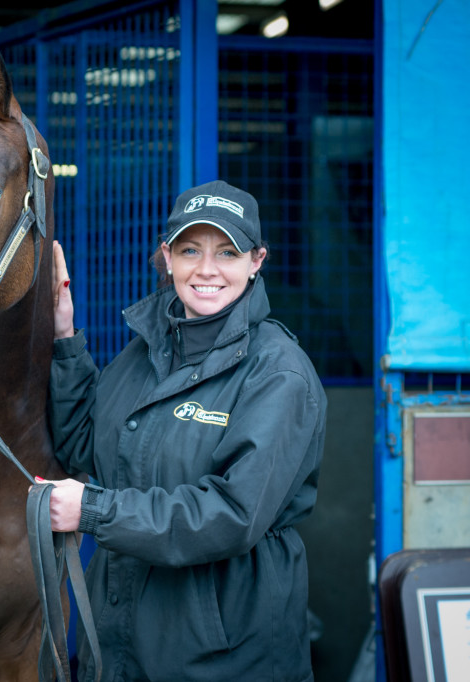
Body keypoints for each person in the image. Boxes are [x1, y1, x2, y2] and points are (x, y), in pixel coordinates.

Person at [40, 180, 326, 681]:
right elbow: (84, 448)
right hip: (119, 643)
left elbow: (233, 514)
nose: (207, 269)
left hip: (222, 654)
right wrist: (64, 338)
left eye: (228, 252)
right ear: (167, 257)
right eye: (191, 250)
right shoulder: (143, 354)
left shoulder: (278, 373)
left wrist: (94, 509)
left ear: (256, 261)